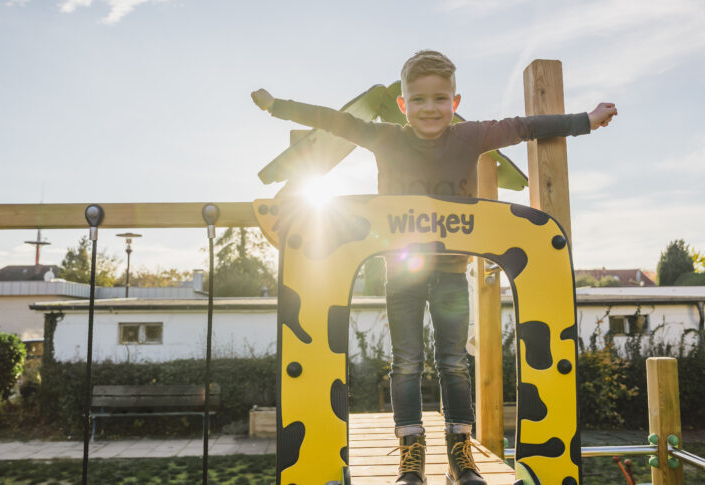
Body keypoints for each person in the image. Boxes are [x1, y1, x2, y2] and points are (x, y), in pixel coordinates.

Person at [251, 50, 616, 485]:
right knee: (405, 362)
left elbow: (525, 127)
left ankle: (461, 456)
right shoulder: (385, 138)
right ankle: (412, 455)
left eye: (440, 99)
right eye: (419, 100)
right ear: (403, 105)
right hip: (401, 273)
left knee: (454, 362)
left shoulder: (470, 137)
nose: (430, 109)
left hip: (450, 273)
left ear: (455, 103)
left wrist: (586, 120)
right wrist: (278, 107)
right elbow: (334, 121)